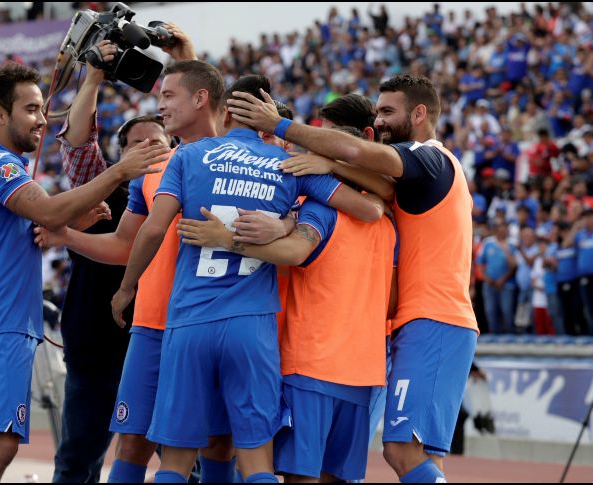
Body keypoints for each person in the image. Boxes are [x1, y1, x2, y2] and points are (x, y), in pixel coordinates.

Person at [110, 75, 383, 483]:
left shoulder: (188, 156)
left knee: (176, 461)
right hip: (253, 325)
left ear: (221, 111)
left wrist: (126, 288)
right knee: (256, 461)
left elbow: (152, 229)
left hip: (190, 321)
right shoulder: (289, 163)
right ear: (265, 117)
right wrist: (292, 217)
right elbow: (370, 210)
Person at [228, 74, 479, 483]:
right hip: (423, 325)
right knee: (419, 457)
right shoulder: (415, 180)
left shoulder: (428, 157)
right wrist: (328, 168)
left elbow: (355, 153)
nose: (378, 121)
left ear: (419, 113)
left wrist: (280, 126)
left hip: (430, 320)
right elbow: (376, 191)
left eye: (386, 111)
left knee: (400, 451)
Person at [0, 62, 164, 483]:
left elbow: (38, 226)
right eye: (31, 109)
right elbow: (47, 210)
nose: (41, 120)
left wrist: (72, 228)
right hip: (0, 326)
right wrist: (120, 170)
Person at [37, 56, 242, 483]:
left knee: (211, 447)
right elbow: (129, 242)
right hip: (139, 329)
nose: (161, 105)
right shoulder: (129, 181)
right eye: (161, 95)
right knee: (127, 443)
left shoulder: (240, 160)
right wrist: (71, 239)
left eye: (168, 97)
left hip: (208, 324)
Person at [175, 106, 396, 482]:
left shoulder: (321, 209)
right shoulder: (389, 222)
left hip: (310, 364)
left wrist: (227, 240)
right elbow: (390, 300)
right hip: (363, 372)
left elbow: (295, 253)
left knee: (275, 464)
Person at [48, 36, 181, 484]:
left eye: (157, 142)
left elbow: (212, 122)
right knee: (78, 457)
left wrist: (185, 55)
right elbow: (79, 142)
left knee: (180, 455)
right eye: (136, 143)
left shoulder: (187, 183)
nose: (147, 148)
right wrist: (93, 78)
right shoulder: (104, 185)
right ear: (121, 154)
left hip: (161, 334)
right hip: (95, 339)